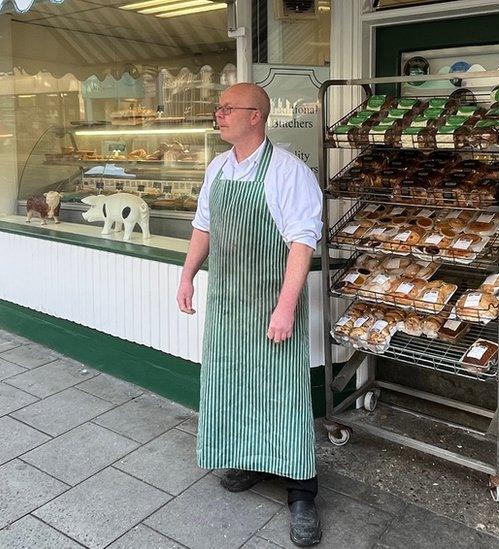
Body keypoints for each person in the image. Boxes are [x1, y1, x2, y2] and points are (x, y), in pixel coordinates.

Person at [177, 83, 324, 547]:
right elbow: (203, 226)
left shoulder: (288, 172)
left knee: (284, 392)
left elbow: (302, 242)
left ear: (255, 116)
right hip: (227, 306)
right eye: (218, 108)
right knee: (235, 385)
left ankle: (302, 492)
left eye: (226, 108)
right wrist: (187, 276)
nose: (217, 115)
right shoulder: (218, 168)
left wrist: (286, 306)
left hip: (270, 305)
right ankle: (250, 460)